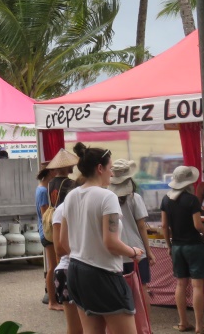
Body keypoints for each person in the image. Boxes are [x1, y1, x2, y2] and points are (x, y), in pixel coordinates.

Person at [61, 142, 143, 334]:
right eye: (110, 168)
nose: (112, 174)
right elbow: (111, 242)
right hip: (103, 274)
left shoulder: (71, 196)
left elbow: (63, 242)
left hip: (76, 271)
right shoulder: (108, 197)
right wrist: (134, 252)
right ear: (100, 168)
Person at [160, 165, 204, 334]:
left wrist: (169, 245)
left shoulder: (166, 200)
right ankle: (199, 326)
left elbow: (164, 226)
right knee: (197, 286)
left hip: (177, 247)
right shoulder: (191, 200)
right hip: (194, 246)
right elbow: (198, 225)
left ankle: (183, 323)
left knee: (180, 284)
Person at [109, 159, 154, 317]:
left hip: (116, 251)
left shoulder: (107, 199)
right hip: (137, 251)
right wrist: (149, 252)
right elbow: (142, 227)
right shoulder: (135, 198)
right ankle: (145, 327)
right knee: (142, 290)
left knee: (120, 292)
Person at [42, 147, 80, 311]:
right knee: (63, 262)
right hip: (63, 225)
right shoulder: (69, 184)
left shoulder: (50, 183)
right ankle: (60, 298)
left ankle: (53, 299)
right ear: (65, 167)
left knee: (54, 265)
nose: (73, 167)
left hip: (51, 224)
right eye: (70, 164)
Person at [53, 179, 83, 334]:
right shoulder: (62, 209)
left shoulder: (85, 207)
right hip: (68, 269)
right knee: (76, 328)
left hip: (85, 268)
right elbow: (59, 248)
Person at [36, 163, 57, 307]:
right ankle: (51, 300)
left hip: (44, 232)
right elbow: (45, 214)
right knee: (53, 267)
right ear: (50, 173)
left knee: (53, 266)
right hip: (47, 233)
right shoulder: (43, 190)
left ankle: (53, 298)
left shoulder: (40, 188)